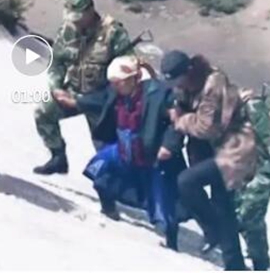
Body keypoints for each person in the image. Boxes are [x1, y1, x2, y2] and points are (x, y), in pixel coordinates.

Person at [55, 55, 186, 249]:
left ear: (133, 79)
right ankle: (108, 211)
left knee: (163, 203)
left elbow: (177, 123)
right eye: (114, 83)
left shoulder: (158, 94)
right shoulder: (116, 92)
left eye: (119, 82)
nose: (115, 86)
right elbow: (99, 100)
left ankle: (171, 244)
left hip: (152, 156)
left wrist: (168, 145)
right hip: (125, 149)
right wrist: (75, 102)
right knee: (101, 173)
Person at [162, 50, 257, 270]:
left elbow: (206, 127)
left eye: (179, 80)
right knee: (222, 205)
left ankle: (215, 233)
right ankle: (234, 264)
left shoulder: (213, 85)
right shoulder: (187, 87)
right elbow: (181, 109)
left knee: (188, 182)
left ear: (189, 72)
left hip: (235, 148)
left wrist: (181, 121)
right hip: (212, 149)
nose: (178, 86)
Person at [33, 0, 132, 175]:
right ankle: (58, 157)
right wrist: (56, 87)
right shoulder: (67, 31)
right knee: (43, 112)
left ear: (90, 10)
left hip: (101, 100)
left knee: (105, 147)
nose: (75, 22)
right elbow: (57, 63)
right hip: (73, 91)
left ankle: (117, 181)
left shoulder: (113, 33)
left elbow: (127, 69)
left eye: (79, 17)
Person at [236, 88, 270, 271]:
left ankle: (261, 263)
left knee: (250, 217)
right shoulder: (228, 106)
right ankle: (254, 253)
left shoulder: (253, 106)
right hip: (242, 169)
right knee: (237, 214)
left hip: (263, 170)